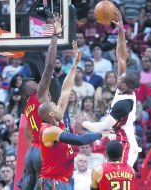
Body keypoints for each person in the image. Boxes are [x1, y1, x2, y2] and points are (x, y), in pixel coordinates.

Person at [35, 41, 106, 190]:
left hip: (64, 180)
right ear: (52, 113)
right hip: (52, 182)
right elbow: (81, 141)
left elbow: (66, 90)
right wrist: (102, 133)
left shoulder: (57, 119)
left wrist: (75, 64)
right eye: (55, 105)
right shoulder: (49, 130)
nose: (58, 104)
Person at [82, 9, 142, 167]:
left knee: (120, 179)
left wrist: (84, 123)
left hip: (126, 144)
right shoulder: (123, 89)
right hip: (118, 139)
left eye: (120, 77)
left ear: (123, 84)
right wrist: (121, 32)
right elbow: (121, 56)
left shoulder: (125, 102)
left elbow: (102, 126)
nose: (117, 76)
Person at [18, 14, 63, 190]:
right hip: (45, 149)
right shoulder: (39, 94)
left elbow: (29, 134)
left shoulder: (27, 107)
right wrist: (54, 36)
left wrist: (32, 150)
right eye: (33, 82)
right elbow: (49, 67)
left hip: (33, 152)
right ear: (29, 89)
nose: (37, 82)